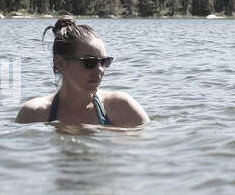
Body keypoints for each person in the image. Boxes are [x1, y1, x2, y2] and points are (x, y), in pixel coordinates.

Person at [16, 17, 149, 126]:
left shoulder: (122, 107)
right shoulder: (33, 115)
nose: (100, 70)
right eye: (89, 62)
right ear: (60, 63)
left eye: (104, 61)